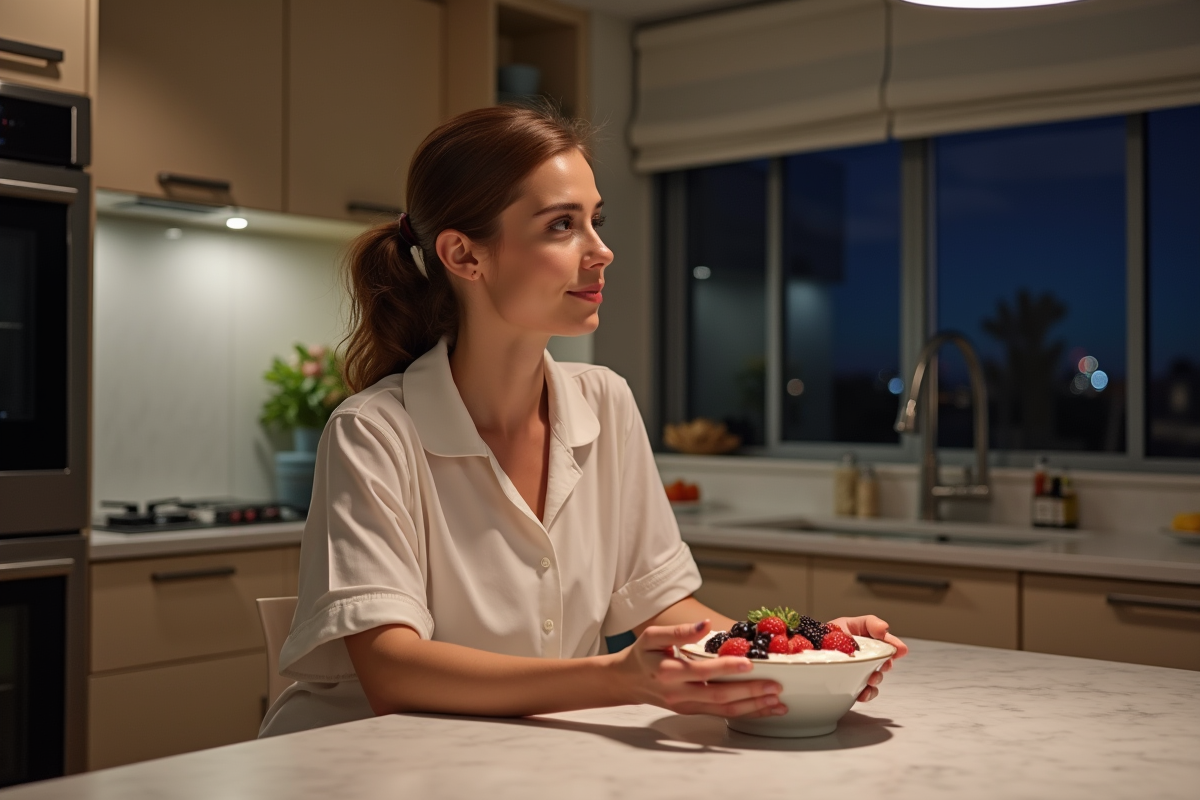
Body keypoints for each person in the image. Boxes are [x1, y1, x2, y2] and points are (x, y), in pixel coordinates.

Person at [259, 105, 907, 737]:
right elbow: (392, 671)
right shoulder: (373, 431)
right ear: (464, 255)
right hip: (361, 767)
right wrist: (616, 678)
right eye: (562, 225)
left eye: (595, 221)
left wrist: (808, 650)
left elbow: (663, 604)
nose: (601, 252)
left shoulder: (604, 400)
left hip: (520, 758)